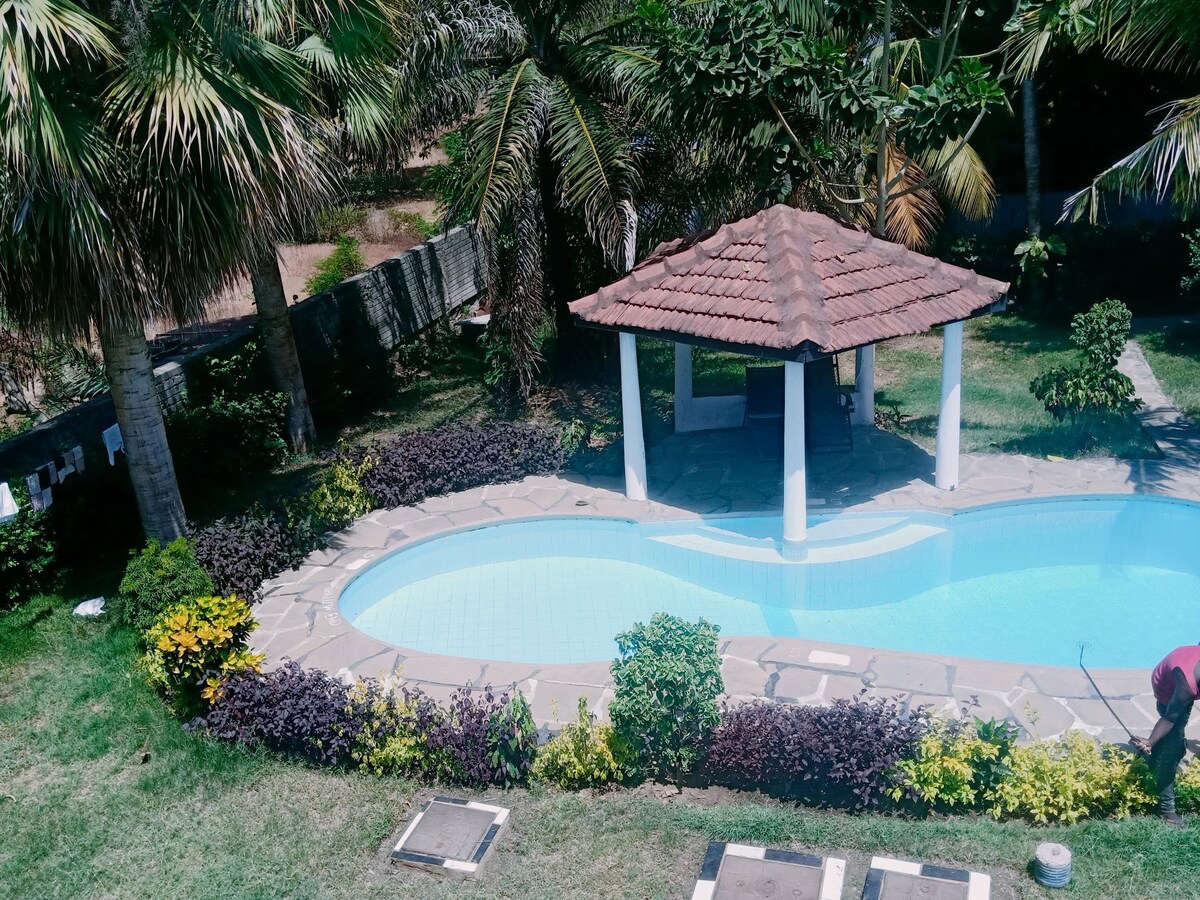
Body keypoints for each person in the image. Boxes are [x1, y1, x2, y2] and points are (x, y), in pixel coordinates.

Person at [1132, 644, 1200, 828]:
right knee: (1173, 751)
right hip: (1166, 690)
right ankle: (1167, 810)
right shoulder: (1186, 687)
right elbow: (1170, 717)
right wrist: (1150, 741)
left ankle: (1157, 753)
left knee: (1175, 741)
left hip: (1182, 670)